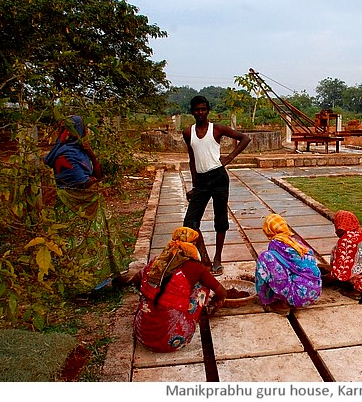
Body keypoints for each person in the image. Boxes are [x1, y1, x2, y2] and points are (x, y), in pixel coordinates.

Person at [44, 115, 128, 295]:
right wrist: (92, 180)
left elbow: (97, 175)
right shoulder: (65, 154)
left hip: (90, 203)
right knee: (77, 246)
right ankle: (78, 288)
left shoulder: (80, 151)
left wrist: (91, 154)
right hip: (73, 206)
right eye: (84, 129)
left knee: (101, 240)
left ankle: (110, 277)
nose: (87, 132)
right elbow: (84, 182)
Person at [183, 95, 251, 276]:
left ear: (208, 110)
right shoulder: (188, 132)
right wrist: (195, 185)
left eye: (203, 109)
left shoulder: (217, 129)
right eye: (197, 109)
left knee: (220, 220)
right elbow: (192, 159)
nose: (200, 112)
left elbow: (244, 138)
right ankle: (204, 259)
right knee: (190, 223)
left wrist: (230, 157)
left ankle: (217, 259)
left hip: (219, 178)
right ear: (192, 111)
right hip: (202, 181)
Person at [133, 226, 227, 353]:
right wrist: (216, 301)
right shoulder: (195, 268)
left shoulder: (157, 262)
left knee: (160, 292)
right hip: (172, 341)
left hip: (142, 335)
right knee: (202, 286)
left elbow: (137, 280)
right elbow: (222, 292)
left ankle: (151, 310)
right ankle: (204, 311)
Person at [255, 214, 322, 315]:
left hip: (297, 295)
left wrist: (263, 293)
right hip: (314, 292)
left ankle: (278, 302)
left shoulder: (276, 243)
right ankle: (289, 295)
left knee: (265, 258)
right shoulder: (296, 240)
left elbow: (275, 272)